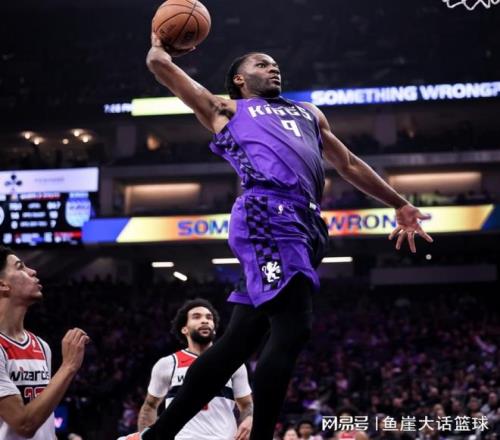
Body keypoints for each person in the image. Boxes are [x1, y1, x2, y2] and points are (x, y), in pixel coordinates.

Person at [119, 34, 433, 440]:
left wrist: (399, 203)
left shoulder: (309, 113)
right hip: (269, 213)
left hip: (307, 223)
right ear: (239, 79)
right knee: (294, 326)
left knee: (236, 344)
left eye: (274, 64)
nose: (273, 68)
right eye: (262, 64)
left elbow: (350, 164)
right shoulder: (226, 109)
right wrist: (160, 44)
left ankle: (160, 434)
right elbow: (161, 67)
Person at [0, 245, 89, 439]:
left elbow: (44, 422)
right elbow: (24, 424)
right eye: (20, 267)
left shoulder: (40, 345)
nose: (32, 271)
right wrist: (68, 366)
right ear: (3, 285)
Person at [136, 299, 253, 440]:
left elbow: (246, 404)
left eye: (209, 318)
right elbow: (150, 405)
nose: (205, 321)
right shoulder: (167, 364)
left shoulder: (233, 363)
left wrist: (249, 418)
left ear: (214, 328)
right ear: (184, 329)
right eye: (196, 317)